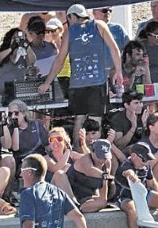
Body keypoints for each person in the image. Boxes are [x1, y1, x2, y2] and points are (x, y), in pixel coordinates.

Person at [39, 4, 122, 147]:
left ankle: (77, 152)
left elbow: (60, 60)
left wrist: (47, 83)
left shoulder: (69, 32)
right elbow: (114, 49)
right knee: (96, 121)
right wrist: (119, 71)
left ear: (71, 16)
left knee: (79, 120)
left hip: (78, 84)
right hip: (98, 81)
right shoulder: (99, 25)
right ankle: (97, 153)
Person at [66, 139, 113, 213]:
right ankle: (76, 209)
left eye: (105, 157)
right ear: (92, 151)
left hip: (89, 196)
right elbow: (90, 170)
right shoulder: (85, 160)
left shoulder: (107, 163)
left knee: (102, 202)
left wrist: (102, 201)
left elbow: (103, 188)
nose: (103, 160)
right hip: (73, 196)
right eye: (100, 156)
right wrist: (104, 175)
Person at [8, 99, 49, 170]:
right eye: (10, 114)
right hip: (23, 161)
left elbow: (47, 145)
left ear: (24, 113)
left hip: (40, 157)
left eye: (16, 113)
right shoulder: (10, 129)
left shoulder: (36, 124)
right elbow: (15, 148)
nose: (13, 116)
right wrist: (15, 127)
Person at [0, 28, 36, 94]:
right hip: (4, 90)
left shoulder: (23, 55)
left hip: (19, 90)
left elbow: (33, 60)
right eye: (15, 38)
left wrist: (26, 45)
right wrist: (11, 48)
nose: (17, 40)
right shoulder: (4, 53)